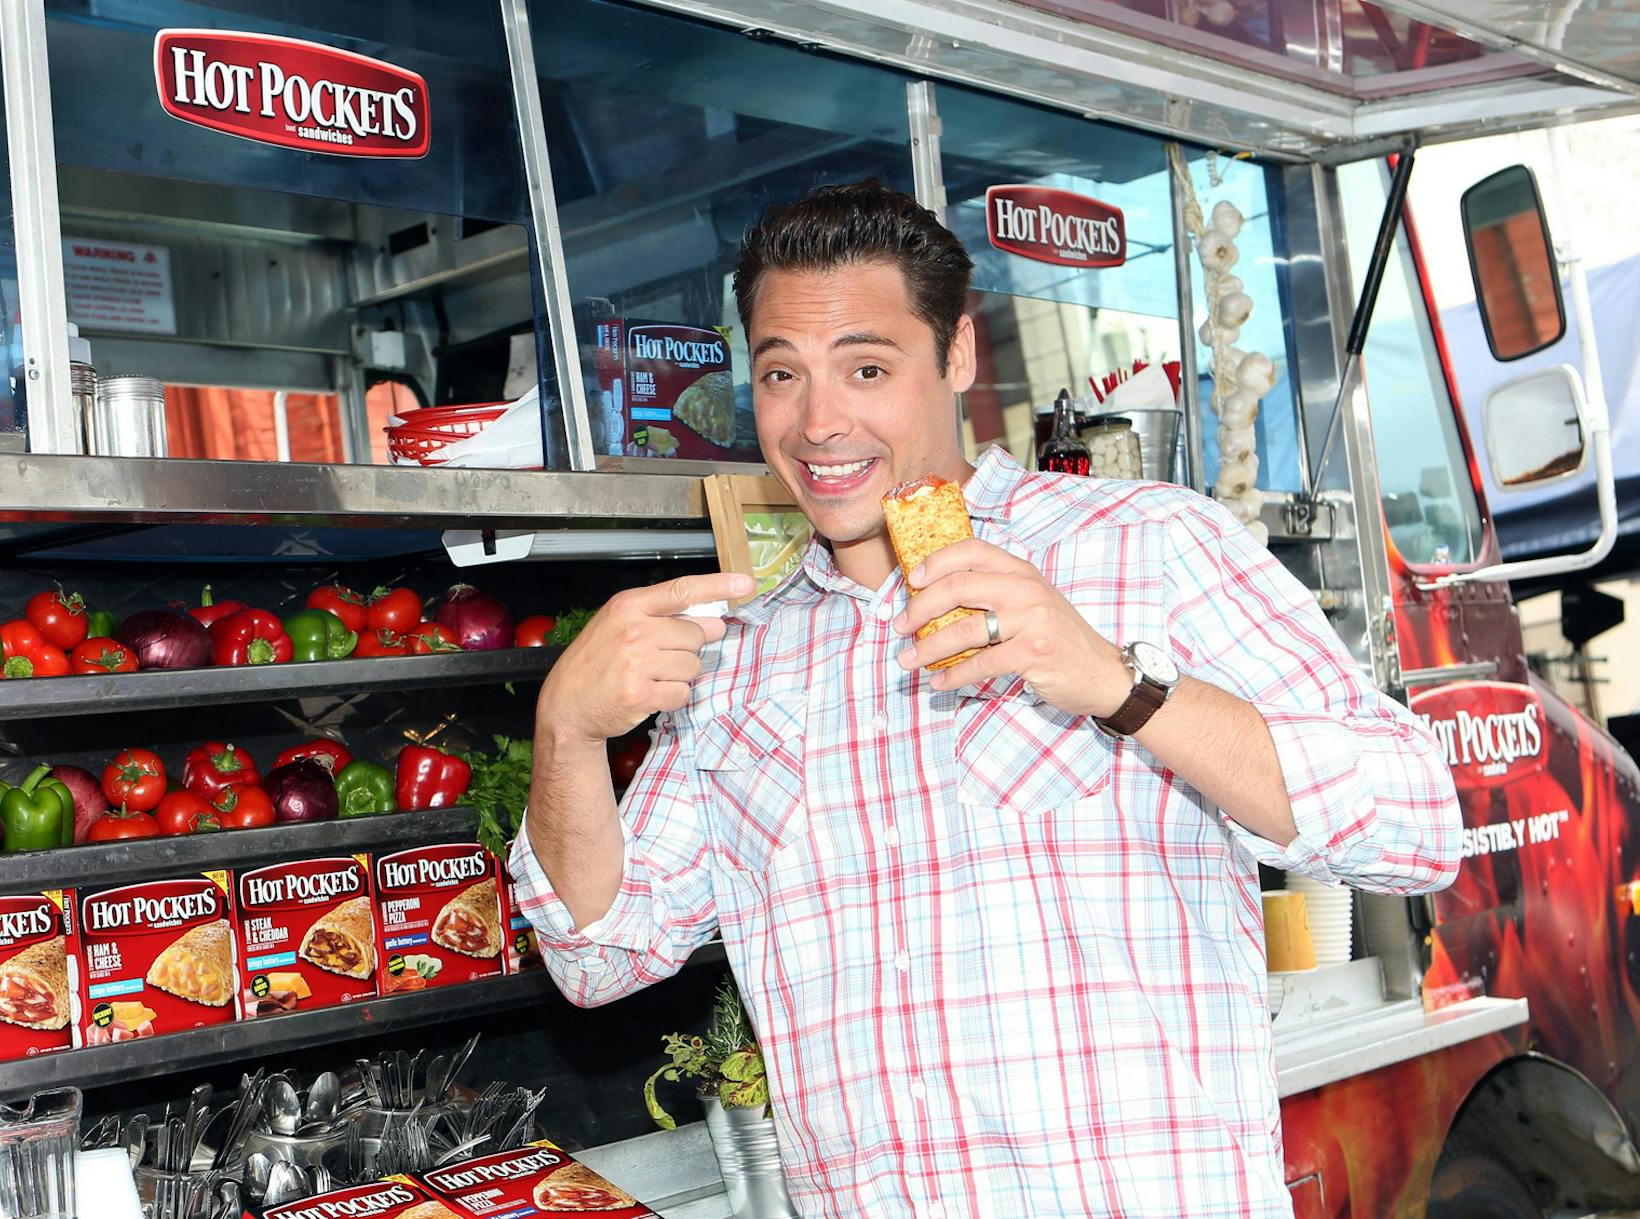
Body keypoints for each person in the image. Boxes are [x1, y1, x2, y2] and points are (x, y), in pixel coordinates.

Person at [508, 180, 1460, 1217]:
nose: (819, 422)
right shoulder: (741, 654)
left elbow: (1415, 825)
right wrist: (567, 730)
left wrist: (1120, 684)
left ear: (957, 354)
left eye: (867, 368)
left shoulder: (1146, 543)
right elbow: (597, 953)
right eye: (782, 374)